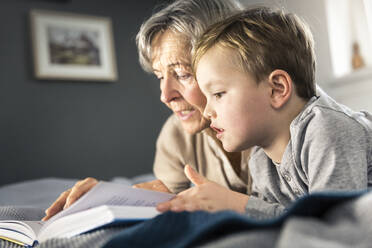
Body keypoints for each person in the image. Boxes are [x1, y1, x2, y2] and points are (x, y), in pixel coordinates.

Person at [43, 0, 252, 221]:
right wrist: (108, 196)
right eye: (160, 76)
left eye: (182, 74)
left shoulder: (274, 125)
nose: (165, 96)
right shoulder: (175, 134)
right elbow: (169, 194)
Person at [160, 7, 372, 218]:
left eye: (218, 94)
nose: (207, 112)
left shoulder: (327, 131)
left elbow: (337, 226)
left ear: (277, 89)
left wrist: (237, 204)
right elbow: (271, 219)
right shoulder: (261, 160)